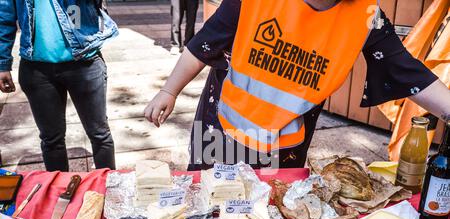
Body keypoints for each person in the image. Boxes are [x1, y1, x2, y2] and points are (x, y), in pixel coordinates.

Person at [145, 0, 450, 170]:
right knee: (208, 202)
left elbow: (408, 72)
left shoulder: (366, 15)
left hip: (286, 138)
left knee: (271, 211)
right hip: (222, 125)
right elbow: (204, 42)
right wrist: (169, 90)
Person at [0, 0, 118, 172]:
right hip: (36, 68)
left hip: (84, 61)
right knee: (51, 139)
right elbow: (4, 15)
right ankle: (58, 192)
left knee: (99, 134)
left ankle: (109, 189)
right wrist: (2, 63)